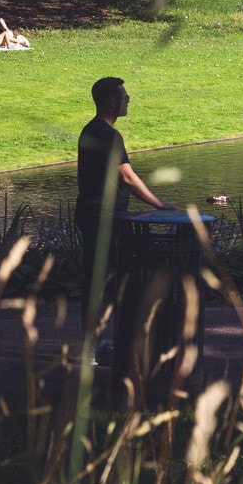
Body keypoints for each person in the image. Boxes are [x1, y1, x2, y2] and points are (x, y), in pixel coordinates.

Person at [74, 77, 174, 315]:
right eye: (125, 98)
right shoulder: (109, 135)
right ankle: (129, 338)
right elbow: (127, 177)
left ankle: (95, 345)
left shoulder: (89, 130)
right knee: (133, 276)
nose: (127, 102)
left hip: (90, 214)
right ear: (112, 102)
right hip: (106, 217)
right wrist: (159, 204)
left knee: (96, 280)